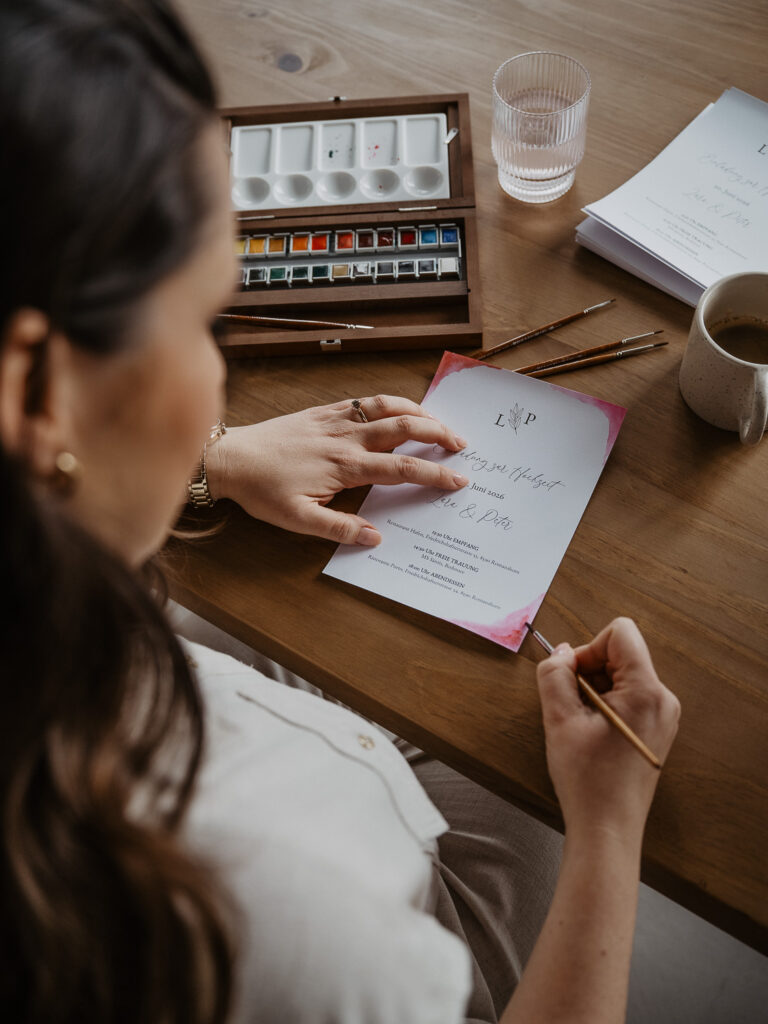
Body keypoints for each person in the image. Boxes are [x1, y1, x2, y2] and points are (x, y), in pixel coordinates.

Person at [0, 2, 681, 1022]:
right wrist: (611, 829)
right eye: (200, 322)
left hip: (242, 721)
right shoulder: (270, 923)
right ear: (35, 391)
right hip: (398, 915)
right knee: (523, 777)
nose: (220, 375)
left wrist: (212, 462)